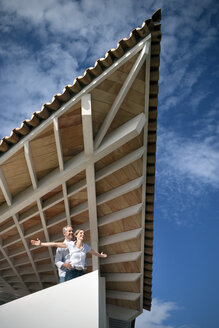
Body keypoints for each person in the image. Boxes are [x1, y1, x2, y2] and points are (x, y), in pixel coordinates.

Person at [31, 229, 107, 281]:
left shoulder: (86, 246)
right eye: (81, 233)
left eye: (84, 233)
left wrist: (101, 255)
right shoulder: (70, 244)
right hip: (72, 271)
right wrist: (41, 244)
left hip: (81, 272)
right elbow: (55, 244)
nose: (83, 234)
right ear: (76, 235)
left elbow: (94, 252)